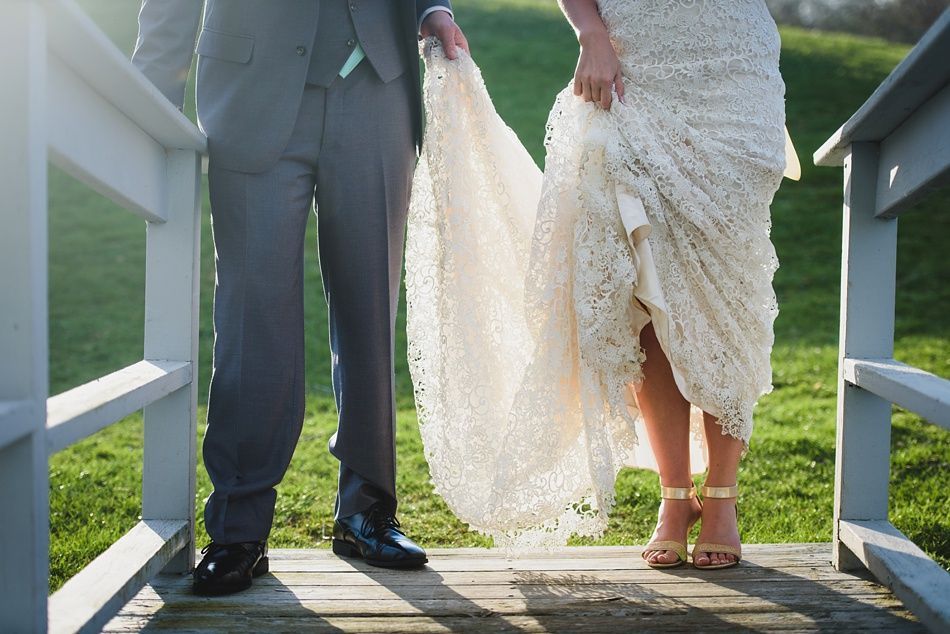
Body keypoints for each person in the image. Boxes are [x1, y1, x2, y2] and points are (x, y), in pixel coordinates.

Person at [407, 0, 797, 569]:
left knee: (727, 298)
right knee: (640, 287)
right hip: (631, 60)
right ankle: (674, 495)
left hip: (732, 66)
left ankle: (721, 497)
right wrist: (591, 33)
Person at [132, 0, 468, 595]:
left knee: (370, 313)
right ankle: (239, 528)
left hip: (377, 88)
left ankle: (367, 512)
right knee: (252, 317)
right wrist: (148, 102)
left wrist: (434, 8)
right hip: (251, 93)